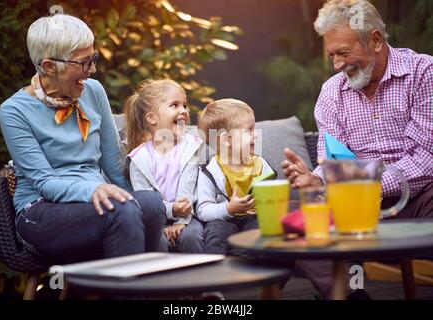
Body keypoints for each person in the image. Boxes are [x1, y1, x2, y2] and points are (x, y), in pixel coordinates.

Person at [282, 0, 432, 299]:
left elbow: (427, 159)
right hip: (352, 209)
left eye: (343, 52)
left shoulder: (423, 73)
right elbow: (331, 162)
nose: (337, 65)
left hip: (419, 202)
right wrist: (318, 181)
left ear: (375, 40)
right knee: (290, 217)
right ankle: (353, 295)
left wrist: (368, 183)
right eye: (332, 55)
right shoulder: (332, 93)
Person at [0, 14, 166, 265]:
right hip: (42, 211)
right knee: (120, 210)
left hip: (95, 205)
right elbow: (44, 181)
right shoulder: (13, 111)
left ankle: (154, 289)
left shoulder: (94, 91)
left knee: (150, 203)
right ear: (48, 66)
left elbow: (113, 163)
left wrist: (137, 197)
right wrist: (93, 189)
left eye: (93, 59)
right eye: (85, 62)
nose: (93, 70)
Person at [124, 79, 205, 253]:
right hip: (154, 220)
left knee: (192, 237)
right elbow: (145, 202)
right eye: (174, 105)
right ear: (152, 118)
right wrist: (171, 211)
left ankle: (200, 278)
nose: (183, 110)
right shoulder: (139, 159)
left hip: (188, 216)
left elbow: (187, 189)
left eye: (185, 105)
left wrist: (180, 220)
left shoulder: (191, 147)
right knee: (157, 242)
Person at [197, 99, 276, 255]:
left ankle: (249, 266)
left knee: (262, 230)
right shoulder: (209, 171)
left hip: (254, 218)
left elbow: (273, 198)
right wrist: (229, 209)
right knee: (216, 233)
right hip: (224, 220)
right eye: (249, 130)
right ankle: (213, 272)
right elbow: (203, 211)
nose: (256, 135)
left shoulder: (260, 164)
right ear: (227, 140)